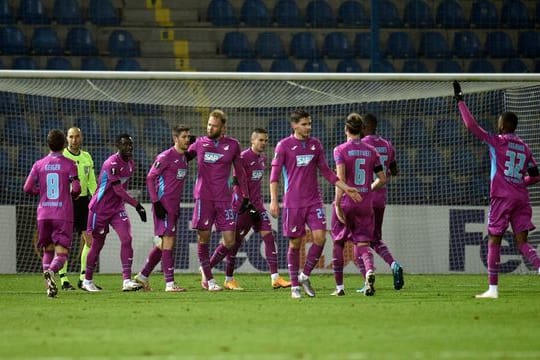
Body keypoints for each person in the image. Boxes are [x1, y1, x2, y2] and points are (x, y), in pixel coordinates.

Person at [454, 80, 540, 299]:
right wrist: (521, 182)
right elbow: (536, 176)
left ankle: (493, 289)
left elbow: (472, 127)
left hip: (502, 198)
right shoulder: (525, 146)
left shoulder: (497, 141)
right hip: (521, 197)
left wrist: (460, 101)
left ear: (502, 126)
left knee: (494, 240)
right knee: (522, 243)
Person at [269, 109, 362, 299]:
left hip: (314, 201)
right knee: (295, 244)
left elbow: (327, 172)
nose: (308, 127)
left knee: (320, 238)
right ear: (294, 125)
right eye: (304, 124)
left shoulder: (315, 145)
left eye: (309, 123)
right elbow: (274, 176)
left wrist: (347, 188)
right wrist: (273, 201)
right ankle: (295, 286)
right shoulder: (284, 146)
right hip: (293, 203)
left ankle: (304, 276)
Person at [215, 128, 291, 290]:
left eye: (265, 140)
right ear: (253, 141)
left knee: (269, 237)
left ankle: (275, 278)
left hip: (258, 206)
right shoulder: (243, 157)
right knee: (233, 243)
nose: (264, 143)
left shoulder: (262, 159)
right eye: (261, 140)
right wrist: (245, 203)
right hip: (242, 208)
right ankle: (216, 272)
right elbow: (236, 183)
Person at [186, 109, 248, 292]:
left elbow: (240, 172)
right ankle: (210, 280)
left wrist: (243, 194)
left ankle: (206, 267)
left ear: (223, 127)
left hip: (224, 199)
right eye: (209, 124)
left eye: (214, 125)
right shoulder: (199, 143)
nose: (210, 128)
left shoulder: (233, 145)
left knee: (230, 241)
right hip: (203, 198)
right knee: (203, 238)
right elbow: (182, 157)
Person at [81, 133, 147, 292]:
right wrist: (137, 205)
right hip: (100, 208)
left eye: (130, 144)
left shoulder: (131, 164)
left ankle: (126, 281)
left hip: (117, 208)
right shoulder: (111, 163)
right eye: (125, 144)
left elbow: (121, 190)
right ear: (118, 146)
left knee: (127, 238)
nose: (129, 147)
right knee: (97, 244)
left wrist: (126, 204)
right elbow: (117, 189)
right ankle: (87, 280)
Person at [331, 113, 386, 297]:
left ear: (346, 129)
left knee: (338, 242)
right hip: (365, 202)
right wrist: (369, 189)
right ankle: (369, 271)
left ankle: (339, 288)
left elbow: (341, 179)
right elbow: (382, 179)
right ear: (362, 130)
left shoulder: (340, 150)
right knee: (362, 243)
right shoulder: (372, 151)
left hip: (347, 200)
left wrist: (337, 203)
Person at [134, 125, 192, 292]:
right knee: (168, 242)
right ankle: (169, 284)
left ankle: (143, 276)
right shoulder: (166, 156)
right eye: (184, 137)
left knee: (163, 245)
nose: (187, 139)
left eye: (189, 137)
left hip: (174, 206)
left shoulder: (184, 158)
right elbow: (151, 176)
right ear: (175, 139)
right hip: (164, 205)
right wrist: (156, 202)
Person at [23, 129, 81, 297]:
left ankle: (49, 286)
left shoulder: (38, 164)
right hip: (62, 213)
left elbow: (27, 188)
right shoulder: (70, 164)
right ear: (64, 144)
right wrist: (72, 194)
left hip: (43, 214)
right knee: (61, 253)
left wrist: (40, 192)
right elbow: (76, 189)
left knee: (48, 250)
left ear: (48, 144)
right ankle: (51, 271)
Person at [358, 113, 404, 292]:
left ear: (364, 127)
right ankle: (393, 265)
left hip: (364, 198)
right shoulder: (387, 145)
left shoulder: (362, 145)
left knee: (360, 240)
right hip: (380, 200)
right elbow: (394, 170)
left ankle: (367, 280)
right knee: (375, 239)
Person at [57, 127, 98, 291]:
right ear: (67, 139)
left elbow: (92, 182)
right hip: (66, 202)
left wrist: (97, 198)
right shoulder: (61, 157)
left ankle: (83, 279)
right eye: (71, 137)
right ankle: (64, 280)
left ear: (81, 137)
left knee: (90, 239)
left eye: (77, 136)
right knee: (64, 242)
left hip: (83, 202)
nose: (74, 140)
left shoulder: (87, 156)